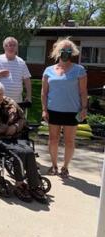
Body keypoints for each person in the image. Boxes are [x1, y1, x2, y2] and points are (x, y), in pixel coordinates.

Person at [0, 82, 48, 204]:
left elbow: (22, 118)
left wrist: (15, 127)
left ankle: (34, 185)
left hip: (15, 135)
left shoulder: (9, 101)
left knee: (29, 151)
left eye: (1, 94)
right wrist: (3, 128)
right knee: (19, 152)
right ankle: (19, 184)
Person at [41, 38, 87, 178]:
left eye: (68, 50)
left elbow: (83, 92)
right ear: (57, 52)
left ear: (72, 52)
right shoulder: (48, 70)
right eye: (63, 50)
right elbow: (44, 92)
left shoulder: (79, 70)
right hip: (53, 110)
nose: (65, 53)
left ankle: (65, 167)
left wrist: (84, 108)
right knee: (53, 139)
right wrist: (44, 109)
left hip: (72, 111)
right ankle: (54, 165)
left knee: (69, 141)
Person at [0, 37, 32, 103]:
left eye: (14, 45)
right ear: (4, 47)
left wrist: (29, 96)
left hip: (16, 101)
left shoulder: (21, 62)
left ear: (17, 47)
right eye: (9, 45)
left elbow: (27, 80)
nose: (11, 47)